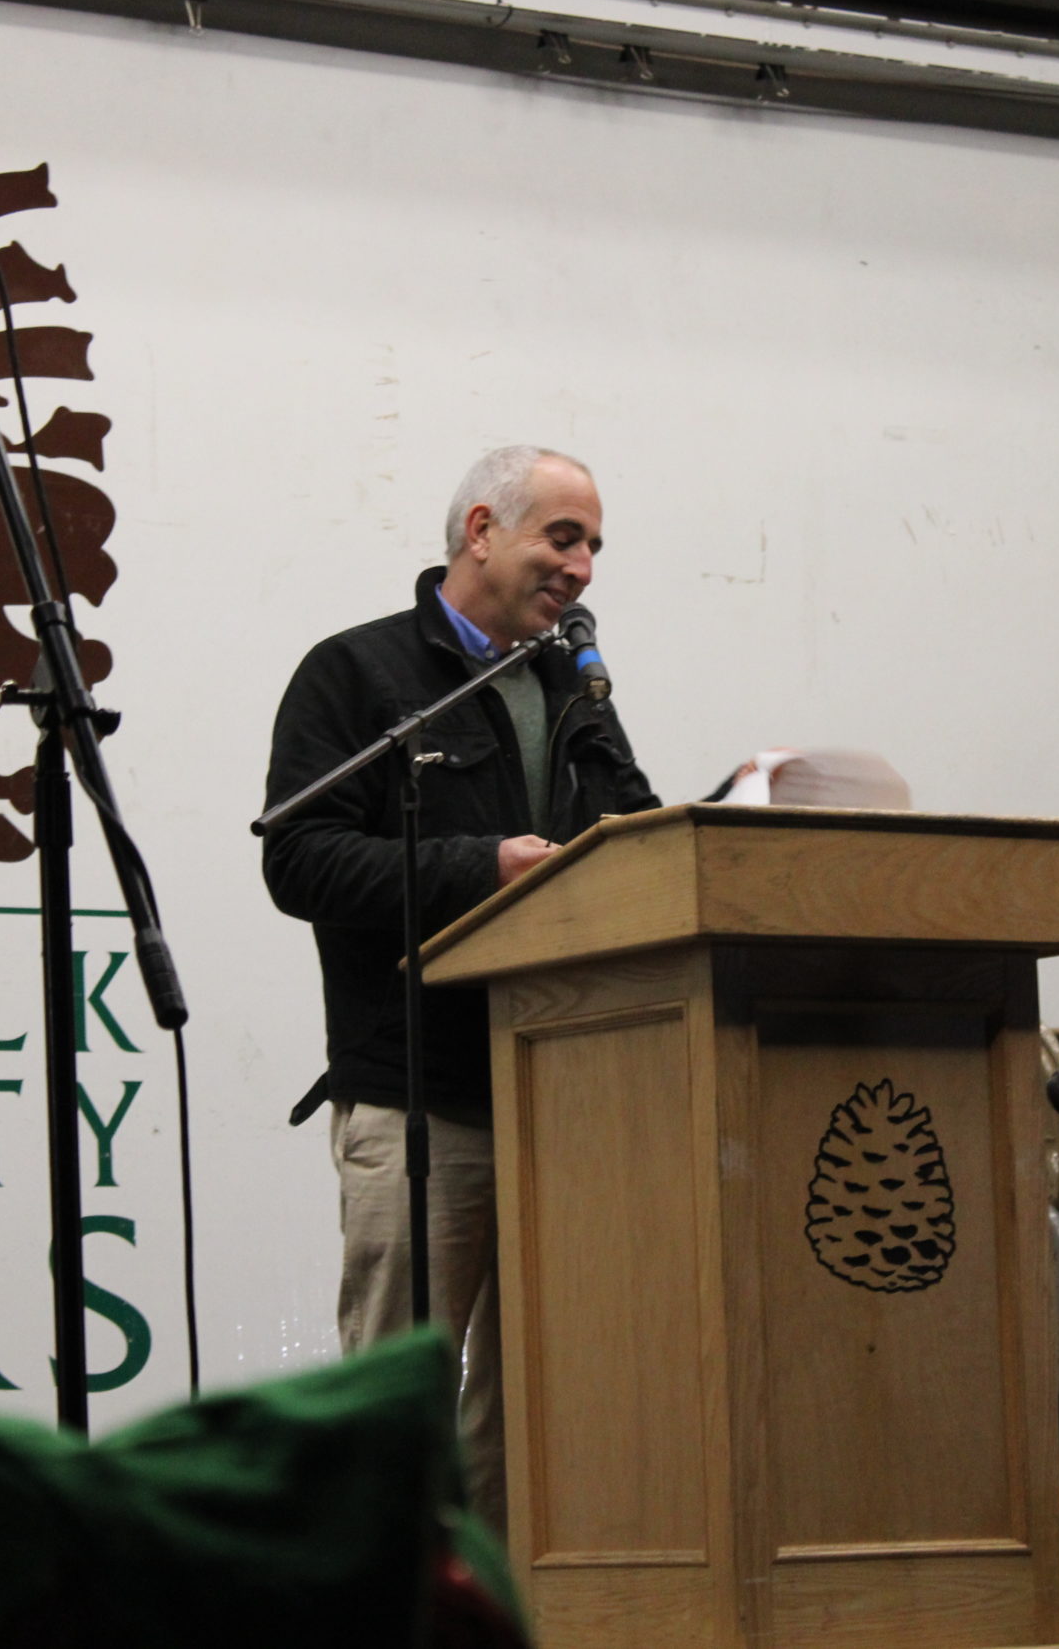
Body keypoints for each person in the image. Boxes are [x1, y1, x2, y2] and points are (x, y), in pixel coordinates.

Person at [260, 444, 661, 1532]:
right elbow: (296, 861)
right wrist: (479, 865)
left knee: (533, 1417)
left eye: (593, 548)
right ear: (480, 530)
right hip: (420, 1099)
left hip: (566, 1095)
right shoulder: (358, 673)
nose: (580, 569)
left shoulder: (573, 688)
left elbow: (638, 849)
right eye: (561, 538)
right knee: (395, 1412)